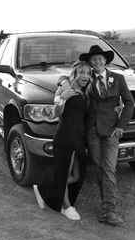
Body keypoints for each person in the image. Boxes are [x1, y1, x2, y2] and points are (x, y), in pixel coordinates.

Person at [79, 45, 135, 226]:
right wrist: (62, 83)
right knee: (99, 168)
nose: (97, 62)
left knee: (109, 168)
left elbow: (129, 102)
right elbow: (70, 80)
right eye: (93, 60)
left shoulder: (118, 78)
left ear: (105, 61)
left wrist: (121, 126)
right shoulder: (85, 79)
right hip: (92, 131)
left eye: (100, 59)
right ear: (90, 62)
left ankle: (109, 210)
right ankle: (106, 209)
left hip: (112, 131)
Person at [33, 61, 92, 221]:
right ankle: (66, 207)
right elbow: (55, 114)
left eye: (88, 73)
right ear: (75, 74)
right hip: (65, 135)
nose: (85, 76)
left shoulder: (85, 92)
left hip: (78, 136)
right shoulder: (66, 88)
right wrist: (63, 98)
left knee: (77, 175)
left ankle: (43, 188)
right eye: (82, 73)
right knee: (65, 171)